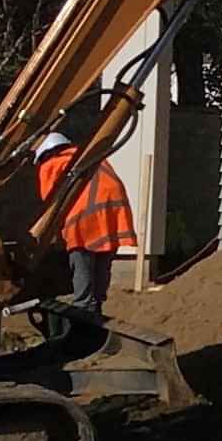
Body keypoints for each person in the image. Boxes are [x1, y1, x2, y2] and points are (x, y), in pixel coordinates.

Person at [31, 131, 136, 314]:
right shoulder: (89, 156)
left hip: (84, 219)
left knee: (82, 263)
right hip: (114, 213)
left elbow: (51, 204)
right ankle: (97, 306)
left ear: (45, 153)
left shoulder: (51, 165)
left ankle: (84, 308)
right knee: (102, 262)